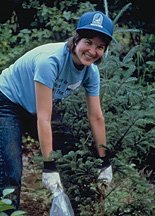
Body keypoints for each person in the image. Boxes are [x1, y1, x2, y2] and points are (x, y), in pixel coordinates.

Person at [0, 10, 113, 211]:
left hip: (35, 106)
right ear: (76, 39)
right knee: (11, 171)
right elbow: (44, 118)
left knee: (68, 152)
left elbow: (96, 117)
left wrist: (105, 160)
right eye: (88, 42)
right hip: (8, 101)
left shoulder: (91, 72)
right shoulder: (50, 61)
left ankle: (75, 208)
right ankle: (7, 211)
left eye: (100, 47)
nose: (92, 51)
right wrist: (49, 166)